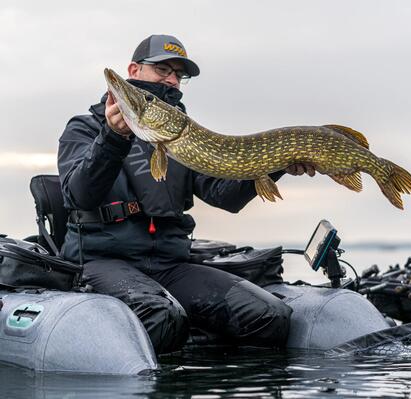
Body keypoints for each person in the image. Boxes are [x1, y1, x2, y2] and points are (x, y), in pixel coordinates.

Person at [58, 34, 316, 354]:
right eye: (163, 70)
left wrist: (276, 164)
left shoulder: (181, 135)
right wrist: (112, 138)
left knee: (269, 317)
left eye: (179, 75)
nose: (172, 80)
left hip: (169, 264)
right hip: (102, 261)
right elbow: (78, 195)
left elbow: (226, 196)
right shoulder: (84, 128)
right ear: (134, 70)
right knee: (160, 316)